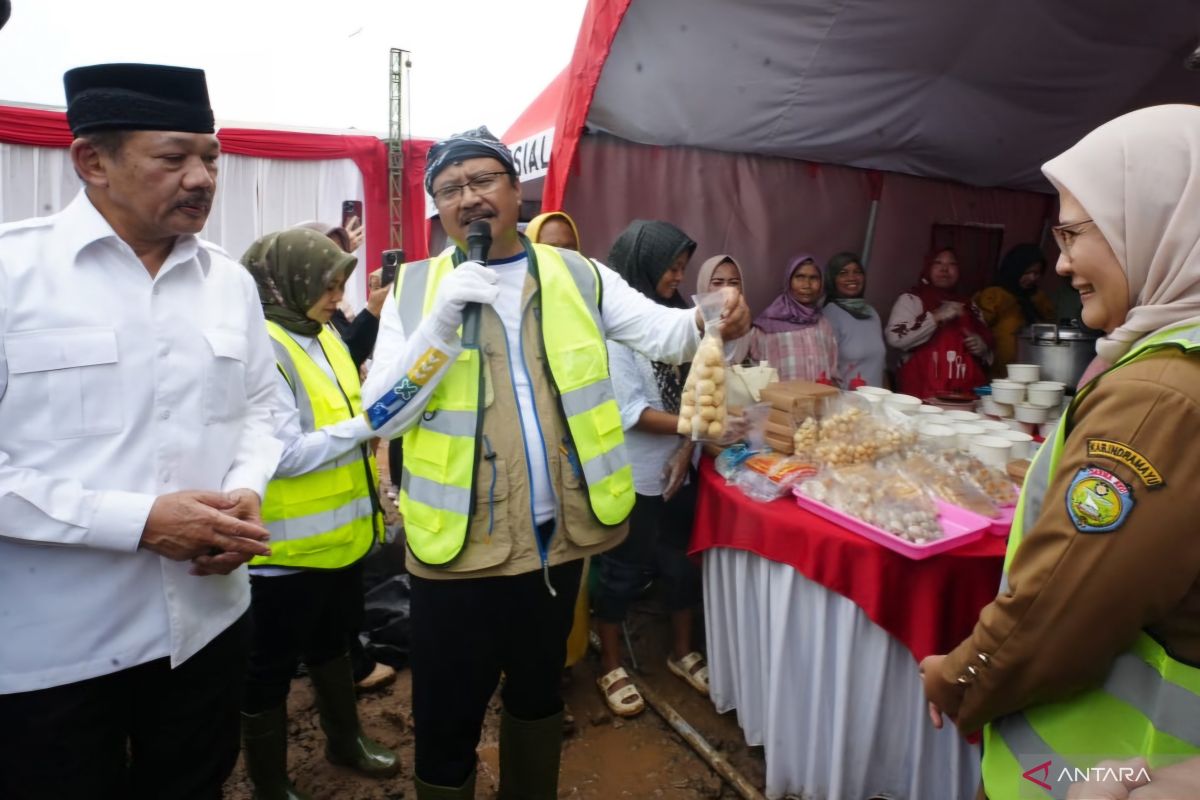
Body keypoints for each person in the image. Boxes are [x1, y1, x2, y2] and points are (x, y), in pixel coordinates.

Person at [359, 126, 750, 799]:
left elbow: (665, 332)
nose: (469, 197)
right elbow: (384, 415)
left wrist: (712, 314)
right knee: (447, 715)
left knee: (538, 692)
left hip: (555, 539)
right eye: (450, 188)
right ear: (437, 209)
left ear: (517, 191)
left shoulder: (576, 273)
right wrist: (442, 322)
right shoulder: (417, 291)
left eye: (484, 180)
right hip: (455, 549)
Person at [0, 63, 282, 798]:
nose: (202, 177)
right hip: (53, 654)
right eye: (173, 157)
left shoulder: (230, 283)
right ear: (93, 161)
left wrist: (246, 488)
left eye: (211, 157)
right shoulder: (10, 273)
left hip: (207, 627)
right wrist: (139, 522)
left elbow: (262, 409)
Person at [919, 105, 1200, 800]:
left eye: (1075, 234)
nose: (1063, 261)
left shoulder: (1161, 395)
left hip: (1093, 767)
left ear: (1157, 222)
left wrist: (960, 675)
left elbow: (1063, 600)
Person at [238, 228, 399, 798]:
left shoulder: (322, 332)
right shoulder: (264, 346)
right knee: (269, 669)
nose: (337, 298)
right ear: (289, 283)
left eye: (340, 286)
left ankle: (345, 740)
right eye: (328, 286)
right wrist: (368, 425)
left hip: (340, 539)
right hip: (283, 552)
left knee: (333, 644)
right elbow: (280, 455)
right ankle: (269, 780)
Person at [592, 220, 708, 718]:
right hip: (635, 475)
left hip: (680, 466)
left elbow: (699, 389)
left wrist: (688, 447)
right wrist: (702, 423)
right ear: (642, 264)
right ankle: (611, 664)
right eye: (671, 267)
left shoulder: (679, 318)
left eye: (683, 268)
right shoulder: (617, 330)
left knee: (682, 565)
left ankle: (681, 652)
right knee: (621, 571)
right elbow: (631, 412)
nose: (678, 278)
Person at [885, 248, 993, 399]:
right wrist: (936, 317)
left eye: (952, 264)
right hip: (920, 394)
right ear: (928, 267)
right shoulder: (912, 300)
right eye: (938, 263)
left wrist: (981, 346)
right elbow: (895, 338)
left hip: (963, 397)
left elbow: (989, 352)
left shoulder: (969, 306)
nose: (944, 269)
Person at [293, 219, 390, 369]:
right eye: (329, 256)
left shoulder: (321, 306)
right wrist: (372, 310)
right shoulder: (288, 322)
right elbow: (344, 361)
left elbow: (347, 347)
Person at [749, 254, 839, 382]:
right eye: (800, 277)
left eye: (813, 278)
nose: (807, 285)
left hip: (819, 400)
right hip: (781, 400)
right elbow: (754, 373)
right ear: (788, 281)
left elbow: (832, 371)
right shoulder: (767, 325)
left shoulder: (823, 324)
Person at [974, 243, 1056, 377]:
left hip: (1033, 372)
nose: (1032, 278)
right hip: (998, 375)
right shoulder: (995, 296)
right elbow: (979, 328)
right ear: (1015, 269)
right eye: (1028, 272)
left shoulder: (1039, 298)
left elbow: (1049, 327)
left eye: (1037, 273)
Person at [822, 251, 886, 387]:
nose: (852, 278)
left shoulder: (872, 313)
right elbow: (826, 369)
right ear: (832, 279)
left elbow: (879, 366)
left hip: (876, 401)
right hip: (848, 404)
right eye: (843, 273)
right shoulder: (829, 314)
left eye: (857, 272)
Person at [696, 254, 752, 363]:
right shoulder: (691, 326)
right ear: (704, 284)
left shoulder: (745, 326)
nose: (725, 289)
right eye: (717, 283)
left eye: (734, 283)